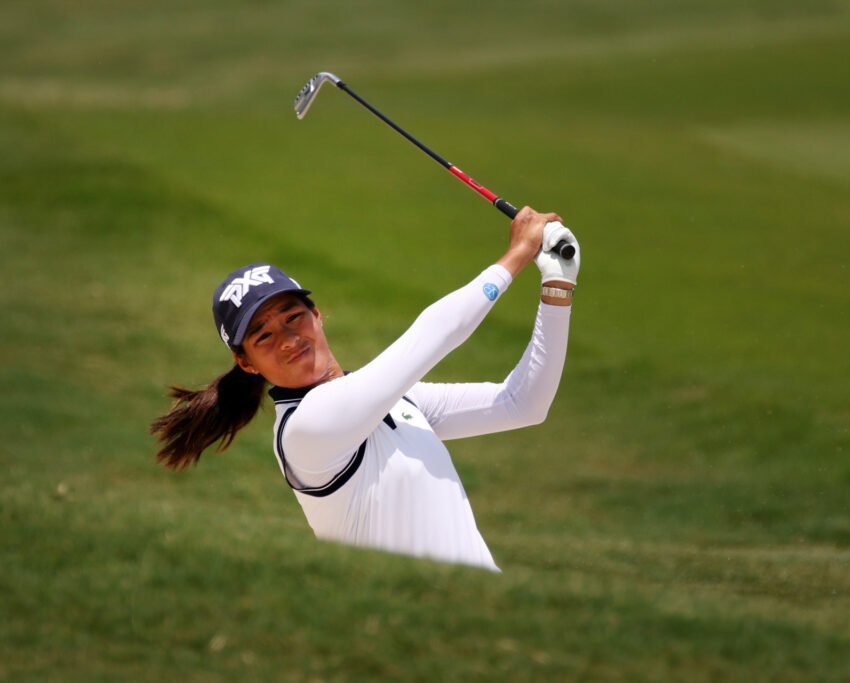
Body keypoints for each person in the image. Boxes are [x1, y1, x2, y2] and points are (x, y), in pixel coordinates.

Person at [151, 208, 580, 571]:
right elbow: (433, 336)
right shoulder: (306, 429)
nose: (287, 338)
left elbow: (521, 403)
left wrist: (557, 286)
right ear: (245, 363)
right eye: (262, 336)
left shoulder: (395, 403)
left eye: (292, 316)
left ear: (317, 315)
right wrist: (519, 254)